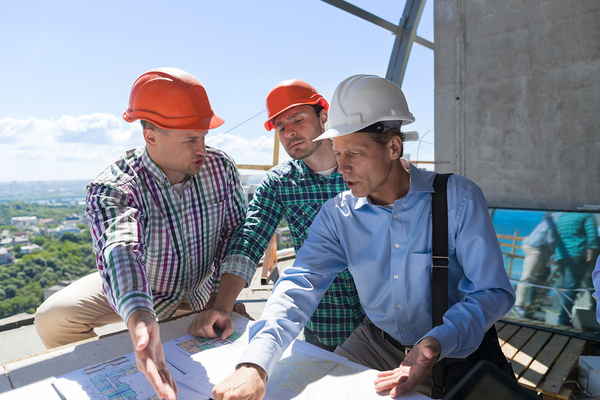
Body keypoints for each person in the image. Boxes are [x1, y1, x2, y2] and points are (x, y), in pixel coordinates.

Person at [212, 74, 515, 400]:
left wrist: (440, 338)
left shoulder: (457, 199)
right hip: (376, 342)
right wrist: (254, 363)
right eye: (339, 154)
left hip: (457, 352)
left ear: (394, 147)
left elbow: (491, 292)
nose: (342, 168)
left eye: (354, 154)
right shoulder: (337, 215)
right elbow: (299, 285)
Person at [35, 68, 249, 400]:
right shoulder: (115, 185)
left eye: (204, 136)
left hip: (201, 291)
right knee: (53, 317)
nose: (202, 149)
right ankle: (121, 366)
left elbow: (239, 237)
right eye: (191, 139)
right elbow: (120, 251)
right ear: (151, 137)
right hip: (146, 286)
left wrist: (222, 303)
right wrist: (140, 324)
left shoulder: (220, 169)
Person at [216, 79, 365, 352]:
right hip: (325, 328)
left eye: (298, 120)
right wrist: (221, 308)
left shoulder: (365, 166)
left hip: (384, 326)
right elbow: (250, 239)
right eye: (281, 127)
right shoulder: (280, 183)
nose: (289, 133)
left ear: (324, 117)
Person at [552, 212, 598, 326]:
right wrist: (592, 255)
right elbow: (592, 236)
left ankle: (563, 318)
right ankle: (563, 320)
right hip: (577, 253)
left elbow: (554, 236)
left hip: (561, 255)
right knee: (571, 288)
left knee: (565, 287)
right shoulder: (586, 216)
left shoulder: (562, 217)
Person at [513, 212, 560, 317]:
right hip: (537, 249)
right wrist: (555, 251)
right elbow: (552, 236)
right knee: (527, 276)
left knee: (539, 275)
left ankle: (525, 304)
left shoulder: (551, 215)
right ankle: (519, 305)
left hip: (535, 247)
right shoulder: (558, 216)